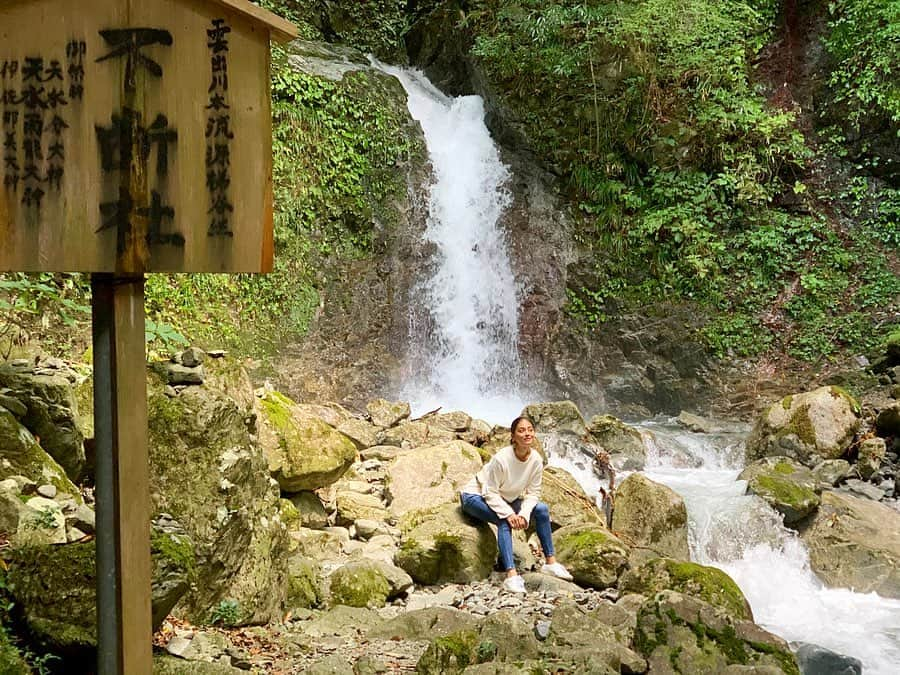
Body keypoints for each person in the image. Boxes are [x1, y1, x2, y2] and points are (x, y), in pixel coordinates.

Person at [459, 415, 573, 594]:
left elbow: (533, 493)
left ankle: (550, 563)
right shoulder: (502, 459)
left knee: (542, 509)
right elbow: (489, 492)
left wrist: (524, 514)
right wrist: (510, 514)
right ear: (513, 437)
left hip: (504, 499)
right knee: (504, 521)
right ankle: (511, 575)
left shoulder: (535, 460)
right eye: (521, 431)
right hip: (475, 496)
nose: (527, 434)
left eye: (530, 430)